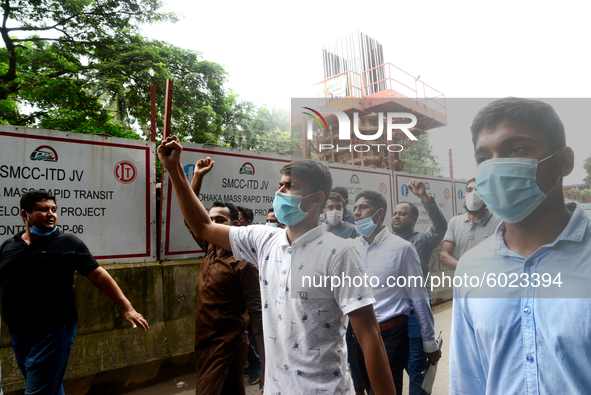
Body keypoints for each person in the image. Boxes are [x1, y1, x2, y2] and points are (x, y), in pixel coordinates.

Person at [157, 136, 396, 394]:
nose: (280, 192)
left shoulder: (339, 253)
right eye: (280, 185)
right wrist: (174, 169)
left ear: (317, 199)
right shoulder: (263, 240)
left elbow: (370, 338)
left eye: (291, 186)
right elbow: (202, 226)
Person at [450, 97, 591, 394]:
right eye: (484, 158)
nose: (496, 167)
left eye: (516, 149)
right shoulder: (471, 268)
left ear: (563, 161)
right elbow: (469, 378)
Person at [0, 190, 149, 395]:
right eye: (43, 210)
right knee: (48, 385)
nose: (50, 214)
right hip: (19, 332)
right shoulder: (9, 245)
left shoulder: (68, 243)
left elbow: (97, 275)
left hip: (54, 331)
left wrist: (127, 307)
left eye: (53, 209)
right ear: (24, 215)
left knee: (38, 391)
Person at [352, 190, 441, 395]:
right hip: (358, 334)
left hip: (390, 335)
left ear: (379, 213)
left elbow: (419, 298)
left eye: (363, 207)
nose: (356, 213)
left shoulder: (403, 249)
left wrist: (429, 342)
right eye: (355, 208)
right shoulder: (351, 248)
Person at [187, 159, 264, 394]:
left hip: (228, 344)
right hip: (204, 341)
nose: (213, 225)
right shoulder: (210, 247)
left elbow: (257, 315)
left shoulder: (244, 264)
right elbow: (191, 217)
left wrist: (266, 366)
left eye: (220, 220)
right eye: (210, 220)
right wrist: (197, 177)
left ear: (236, 224)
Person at [391, 180, 448, 395]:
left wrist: (425, 198)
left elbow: (441, 227)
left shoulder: (421, 241)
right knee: (395, 367)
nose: (397, 216)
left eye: (403, 214)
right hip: (391, 315)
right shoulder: (383, 242)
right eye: (395, 213)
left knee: (416, 368)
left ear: (414, 219)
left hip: (416, 314)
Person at [440, 177, 501, 270]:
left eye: (478, 190)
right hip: (463, 282)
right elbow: (444, 255)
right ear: (464, 198)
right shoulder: (455, 222)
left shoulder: (500, 223)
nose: (473, 193)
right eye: (469, 190)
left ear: (486, 197)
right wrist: (467, 269)